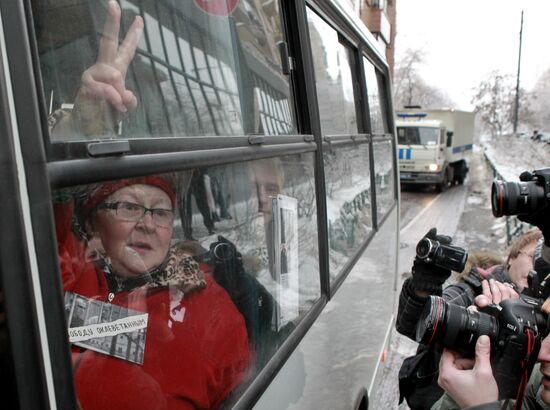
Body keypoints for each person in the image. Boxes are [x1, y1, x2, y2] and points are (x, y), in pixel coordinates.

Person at [55, 176, 251, 409]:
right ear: (91, 222)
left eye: (160, 213)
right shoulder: (72, 270)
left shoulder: (209, 307)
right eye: (129, 207)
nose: (147, 224)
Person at [397, 228, 543, 410]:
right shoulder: (478, 288)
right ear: (512, 257)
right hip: (433, 397)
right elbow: (419, 322)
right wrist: (423, 289)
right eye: (533, 257)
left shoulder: (543, 308)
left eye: (544, 264)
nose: (536, 268)